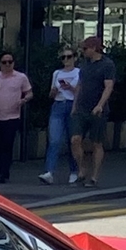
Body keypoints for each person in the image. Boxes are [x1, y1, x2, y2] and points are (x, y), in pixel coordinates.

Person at [73, 34, 118, 186]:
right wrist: (75, 105)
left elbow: (108, 86)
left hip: (97, 108)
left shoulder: (107, 64)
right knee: (75, 139)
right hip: (82, 107)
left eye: (85, 48)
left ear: (94, 48)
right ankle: (82, 169)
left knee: (96, 143)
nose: (83, 51)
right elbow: (80, 84)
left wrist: (100, 104)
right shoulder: (85, 64)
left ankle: (94, 176)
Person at [0, 52, 32, 184]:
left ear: (14, 63)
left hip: (12, 116)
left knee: (7, 145)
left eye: (10, 62)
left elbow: (29, 92)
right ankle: (2, 168)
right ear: (0, 64)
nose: (7, 65)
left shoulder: (21, 77)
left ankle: (3, 173)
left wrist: (24, 100)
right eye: (4, 62)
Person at [41, 51, 81, 183]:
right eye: (63, 57)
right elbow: (51, 94)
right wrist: (54, 91)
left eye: (69, 57)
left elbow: (80, 92)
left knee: (72, 141)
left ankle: (74, 171)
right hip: (58, 104)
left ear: (75, 58)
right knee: (54, 140)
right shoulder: (57, 73)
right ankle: (49, 172)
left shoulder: (79, 72)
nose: (66, 59)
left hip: (72, 105)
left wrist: (70, 87)